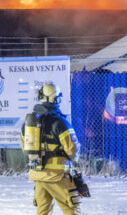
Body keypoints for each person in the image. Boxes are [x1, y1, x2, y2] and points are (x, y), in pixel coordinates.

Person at [20, 83, 81, 215]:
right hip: (57, 177)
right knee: (72, 211)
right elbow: (73, 150)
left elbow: (25, 148)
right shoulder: (59, 122)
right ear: (57, 99)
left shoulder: (28, 123)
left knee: (43, 212)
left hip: (38, 176)